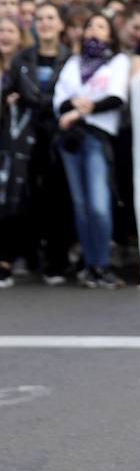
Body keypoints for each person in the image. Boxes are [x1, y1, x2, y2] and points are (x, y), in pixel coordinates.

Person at [52, 12, 130, 288]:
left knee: (98, 204)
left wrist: (80, 110)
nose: (94, 31)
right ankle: (90, 265)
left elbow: (116, 97)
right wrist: (76, 108)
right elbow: (60, 100)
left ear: (110, 35)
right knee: (80, 205)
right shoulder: (73, 63)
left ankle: (103, 263)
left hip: (97, 137)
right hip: (71, 140)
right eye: (90, 26)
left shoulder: (118, 62)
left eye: (101, 26)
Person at [5, 2, 74, 284]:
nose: (44, 23)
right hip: (28, 135)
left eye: (50, 18)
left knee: (58, 197)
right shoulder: (22, 59)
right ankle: (28, 254)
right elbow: (12, 91)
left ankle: (57, 260)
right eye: (39, 18)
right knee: (25, 195)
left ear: (60, 25)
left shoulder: (71, 59)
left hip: (59, 135)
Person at [0, 15, 36, 287]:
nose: (5, 35)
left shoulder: (27, 65)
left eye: (10, 30)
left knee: (15, 197)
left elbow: (38, 98)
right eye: (1, 30)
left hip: (23, 140)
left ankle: (11, 257)